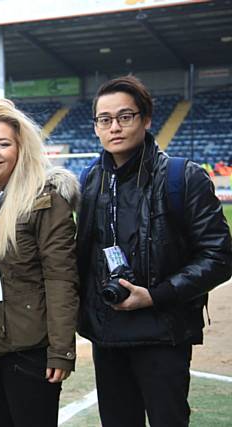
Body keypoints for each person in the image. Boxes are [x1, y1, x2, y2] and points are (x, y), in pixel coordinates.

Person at [77, 75, 232, 427]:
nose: (114, 127)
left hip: (163, 331)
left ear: (146, 120)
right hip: (108, 333)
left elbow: (220, 256)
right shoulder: (90, 181)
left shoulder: (183, 177)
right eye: (105, 120)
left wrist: (156, 296)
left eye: (125, 116)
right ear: (96, 128)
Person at [0, 98, 79, 427]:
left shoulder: (45, 200)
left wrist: (61, 349)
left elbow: (61, 278)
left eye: (3, 144)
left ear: (20, 149)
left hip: (30, 348)